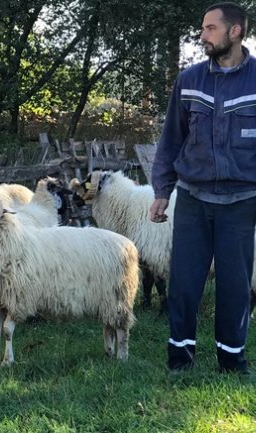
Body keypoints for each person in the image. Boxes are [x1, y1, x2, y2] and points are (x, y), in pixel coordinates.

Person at [149, 2, 256, 375]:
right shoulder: (190, 80)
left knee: (235, 288)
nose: (203, 35)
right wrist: (162, 191)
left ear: (235, 31)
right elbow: (170, 140)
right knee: (183, 284)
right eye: (202, 28)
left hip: (242, 203)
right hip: (193, 199)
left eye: (210, 28)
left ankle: (231, 360)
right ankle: (180, 358)